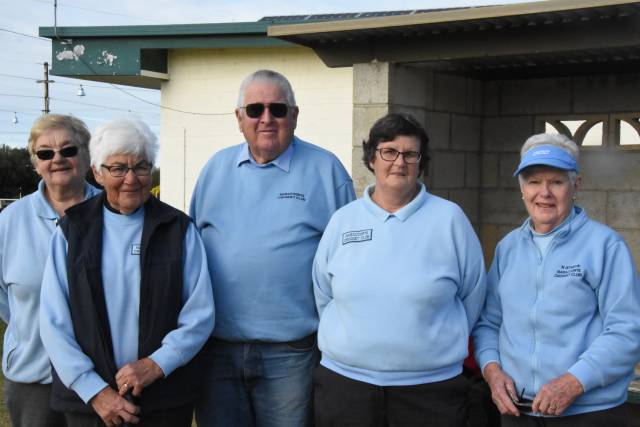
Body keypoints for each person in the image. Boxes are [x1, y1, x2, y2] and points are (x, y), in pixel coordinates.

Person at [190, 69, 355, 427]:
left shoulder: (327, 171)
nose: (266, 118)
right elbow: (192, 251)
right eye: (255, 110)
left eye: (278, 109)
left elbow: (351, 262)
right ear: (239, 118)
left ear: (294, 115)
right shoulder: (214, 170)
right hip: (217, 349)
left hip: (291, 353)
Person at [312, 113, 486, 426]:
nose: (399, 162)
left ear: (421, 162)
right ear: (371, 159)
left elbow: (472, 296)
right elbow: (324, 293)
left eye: (410, 154)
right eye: (389, 152)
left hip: (430, 391)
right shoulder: (343, 221)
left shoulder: (450, 220)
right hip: (346, 386)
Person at [39, 117, 215, 427]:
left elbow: (199, 314)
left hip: (163, 400)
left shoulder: (178, 230)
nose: (131, 179)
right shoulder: (72, 231)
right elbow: (53, 322)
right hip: (90, 406)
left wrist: (156, 364)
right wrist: (94, 390)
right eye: (118, 168)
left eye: (141, 167)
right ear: (98, 173)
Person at [473, 133, 640, 426]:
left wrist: (574, 382)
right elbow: (489, 323)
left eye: (556, 182)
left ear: (576, 186)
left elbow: (627, 330)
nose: (544, 192)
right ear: (522, 188)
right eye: (534, 181)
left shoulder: (604, 246)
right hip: (518, 412)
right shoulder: (508, 248)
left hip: (589, 413)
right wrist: (492, 371)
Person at [0, 114, 101, 427]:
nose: (57, 159)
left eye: (68, 150)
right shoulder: (9, 221)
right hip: (34, 377)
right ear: (35, 163)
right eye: (45, 153)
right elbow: (4, 298)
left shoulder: (113, 213)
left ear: (87, 155)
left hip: (101, 379)